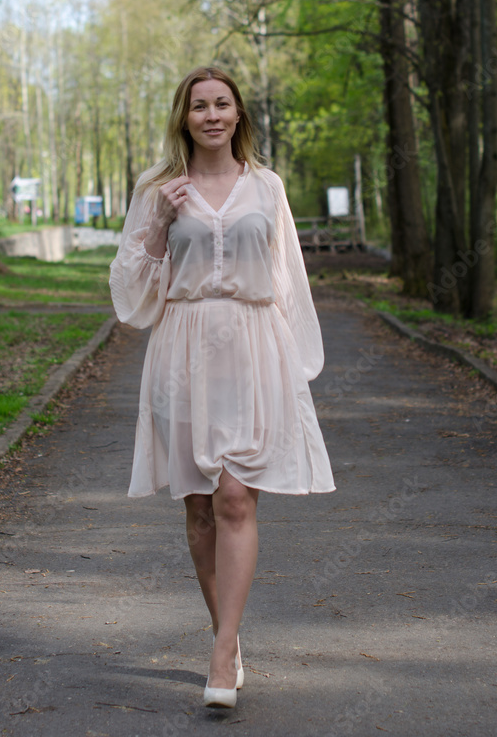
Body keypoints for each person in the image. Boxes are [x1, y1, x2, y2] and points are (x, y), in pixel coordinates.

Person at [109, 66, 335, 709]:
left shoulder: (267, 185)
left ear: (239, 115)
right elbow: (131, 292)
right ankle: (229, 640)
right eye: (198, 105)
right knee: (200, 506)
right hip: (182, 347)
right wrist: (160, 223)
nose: (211, 114)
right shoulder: (158, 187)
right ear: (184, 117)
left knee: (237, 497)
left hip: (253, 345)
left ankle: (219, 649)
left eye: (222, 104)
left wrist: (295, 364)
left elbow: (287, 275)